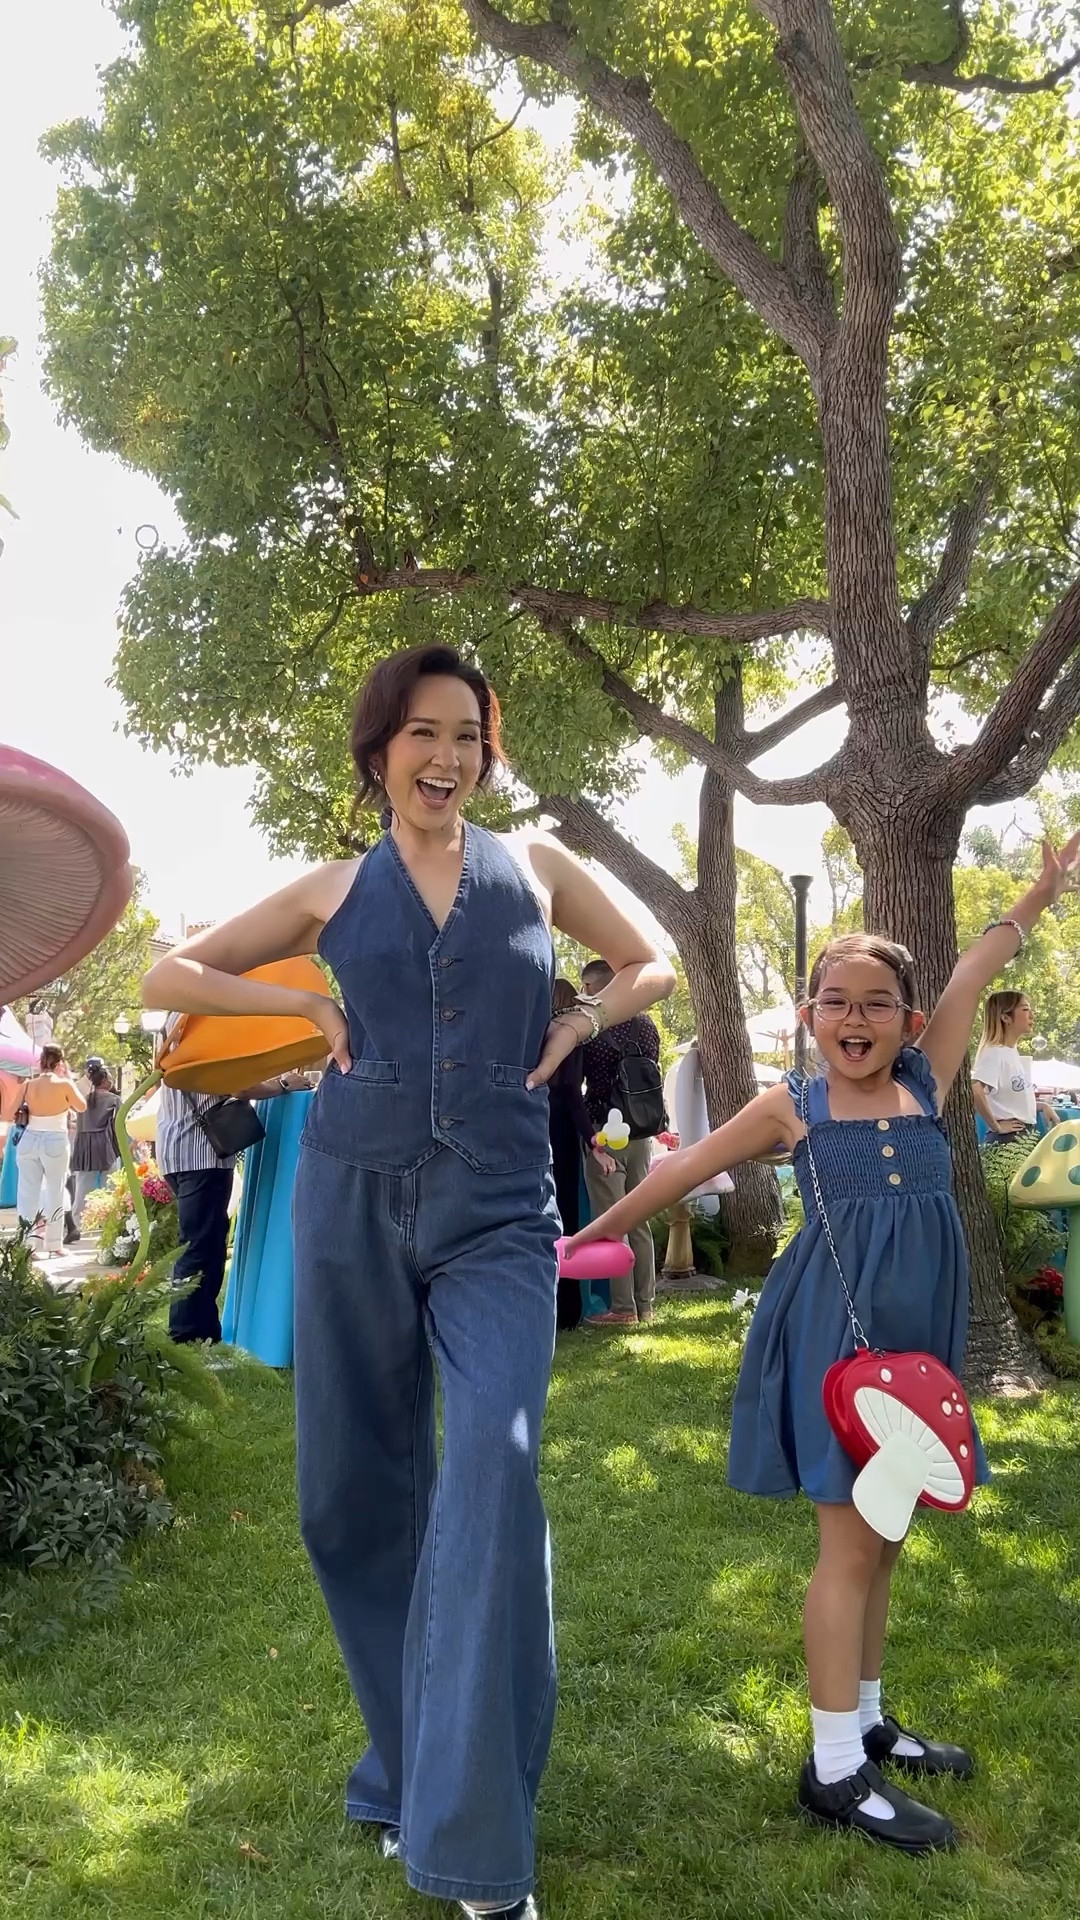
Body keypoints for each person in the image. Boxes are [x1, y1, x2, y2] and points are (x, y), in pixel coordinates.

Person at [142, 642, 674, 1920]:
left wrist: (584, 1020)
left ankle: (479, 1842)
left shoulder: (536, 871)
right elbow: (166, 979)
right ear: (380, 749)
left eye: (469, 737)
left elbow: (648, 960)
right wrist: (310, 1019)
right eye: (424, 734)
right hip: (351, 1201)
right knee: (351, 1499)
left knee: (492, 1468)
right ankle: (409, 1762)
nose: (448, 757)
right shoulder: (333, 888)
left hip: (496, 1210)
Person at [567, 836, 1079, 1855]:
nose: (854, 1018)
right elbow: (679, 1171)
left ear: (911, 1022)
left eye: (875, 1002)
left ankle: (870, 1719)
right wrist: (587, 1236)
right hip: (837, 1350)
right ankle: (833, 1768)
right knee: (848, 1548)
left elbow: (978, 964)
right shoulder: (792, 1109)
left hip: (915, 1351)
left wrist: (1045, 889)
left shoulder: (925, 1087)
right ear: (809, 1019)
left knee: (886, 1536)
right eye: (835, 1002)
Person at [156, 1068, 313, 1344]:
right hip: (202, 1155)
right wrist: (284, 1084)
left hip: (176, 1149)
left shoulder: (175, 1033)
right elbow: (239, 1087)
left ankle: (203, 1333)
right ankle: (185, 1335)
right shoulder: (204, 1030)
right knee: (199, 1250)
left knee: (206, 1247)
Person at [579, 957, 663, 1326]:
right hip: (642, 1132)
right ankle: (646, 1305)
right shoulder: (647, 1026)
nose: (583, 994)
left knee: (612, 1221)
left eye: (586, 987)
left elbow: (578, 1080)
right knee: (639, 1220)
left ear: (598, 988)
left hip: (605, 1134)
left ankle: (623, 1309)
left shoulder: (593, 1030)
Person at [547, 978, 604, 1331]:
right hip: (564, 1128)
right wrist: (591, 1137)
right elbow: (572, 1089)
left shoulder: (536, 1031)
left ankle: (552, 1302)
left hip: (538, 1123)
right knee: (566, 1214)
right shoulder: (573, 1034)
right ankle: (569, 1306)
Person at [15, 1044, 85, 1256]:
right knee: (55, 1191)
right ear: (60, 1062)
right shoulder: (64, 1085)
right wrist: (68, 1078)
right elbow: (81, 1106)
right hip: (55, 1138)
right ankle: (54, 1244)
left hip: (29, 1139)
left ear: (41, 1062)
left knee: (27, 1194)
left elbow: (9, 1111)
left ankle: (27, 1245)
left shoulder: (27, 1085)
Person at [971, 991, 1058, 1144]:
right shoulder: (994, 1052)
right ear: (1005, 1017)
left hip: (1023, 1135)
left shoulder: (1012, 1053)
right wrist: (996, 1126)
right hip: (1008, 1140)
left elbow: (1011, 1103)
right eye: (1025, 1009)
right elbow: (975, 1089)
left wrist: (1043, 1106)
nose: (1031, 1015)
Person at [69, 1058, 122, 1232]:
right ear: (105, 1080)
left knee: (84, 1184)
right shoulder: (114, 1100)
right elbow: (119, 1124)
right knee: (111, 1181)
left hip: (84, 1145)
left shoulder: (84, 1099)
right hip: (105, 1144)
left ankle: (78, 1221)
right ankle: (112, 1218)